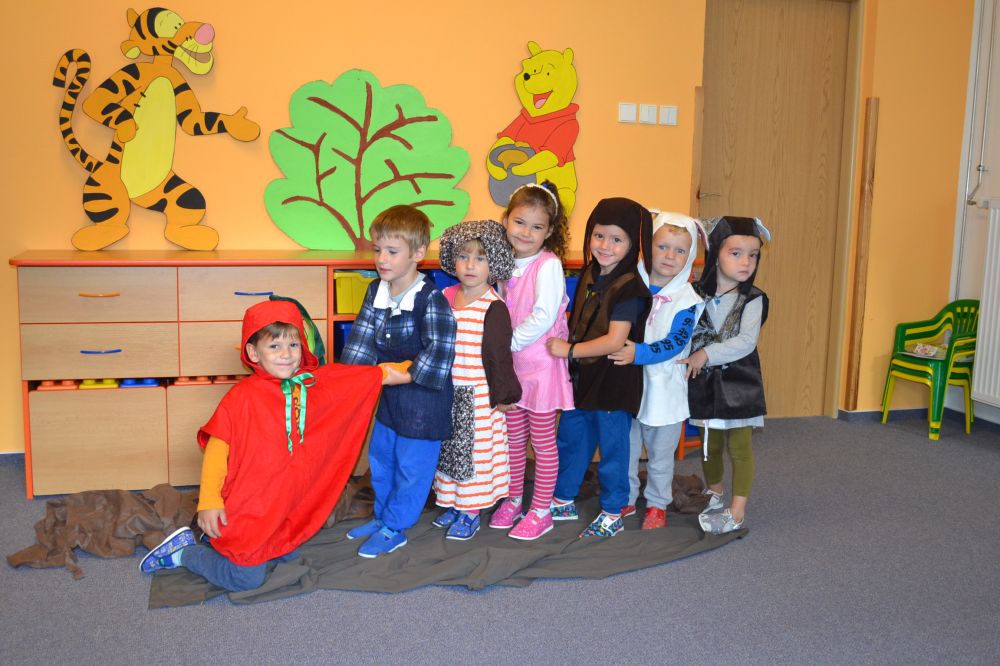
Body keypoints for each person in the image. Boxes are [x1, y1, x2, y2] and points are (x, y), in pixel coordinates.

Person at [138, 299, 387, 591]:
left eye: (293, 344)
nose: (286, 354)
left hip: (282, 506)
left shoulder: (309, 386)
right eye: (275, 346)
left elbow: (370, 377)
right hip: (250, 505)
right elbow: (216, 453)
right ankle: (184, 553)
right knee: (246, 579)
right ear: (254, 353)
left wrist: (419, 368)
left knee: (286, 550)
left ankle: (220, 539)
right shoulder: (242, 398)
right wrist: (209, 501)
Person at [340, 205, 457, 557]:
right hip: (390, 400)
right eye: (378, 250)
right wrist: (347, 382)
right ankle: (382, 516)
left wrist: (397, 374)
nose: (381, 259)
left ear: (418, 253)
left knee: (411, 468)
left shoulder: (431, 300)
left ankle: (397, 527)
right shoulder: (375, 291)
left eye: (392, 251)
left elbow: (440, 352)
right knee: (382, 459)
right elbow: (361, 342)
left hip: (424, 404)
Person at [547, 197, 652, 537]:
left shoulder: (630, 288)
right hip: (583, 377)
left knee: (612, 450)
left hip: (613, 382)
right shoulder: (590, 272)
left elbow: (614, 341)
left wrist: (569, 350)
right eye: (599, 235)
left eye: (617, 239)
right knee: (572, 438)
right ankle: (563, 497)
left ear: (633, 244)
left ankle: (612, 511)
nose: (605, 246)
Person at [609, 212, 707, 529]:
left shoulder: (687, 300)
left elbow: (676, 342)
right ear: (647, 247)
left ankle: (656, 503)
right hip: (630, 386)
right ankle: (625, 498)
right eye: (662, 246)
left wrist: (638, 353)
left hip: (665, 390)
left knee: (661, 455)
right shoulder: (631, 286)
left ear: (689, 256)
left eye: (679, 250)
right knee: (626, 449)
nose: (669, 256)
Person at [490, 181, 574, 540]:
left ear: (549, 231)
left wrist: (506, 343)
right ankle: (513, 499)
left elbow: (543, 316)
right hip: (512, 369)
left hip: (539, 366)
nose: (526, 232)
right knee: (512, 439)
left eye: (537, 227)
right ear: (506, 220)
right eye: (520, 222)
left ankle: (541, 510)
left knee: (542, 442)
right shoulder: (503, 262)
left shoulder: (548, 265)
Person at [677, 215, 771, 535]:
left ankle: (737, 511)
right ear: (716, 253)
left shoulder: (753, 299)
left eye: (753, 255)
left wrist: (706, 354)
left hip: (739, 385)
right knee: (710, 445)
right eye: (736, 253)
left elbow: (746, 341)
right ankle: (715, 493)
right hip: (703, 384)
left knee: (740, 448)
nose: (746, 262)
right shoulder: (694, 293)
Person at [431, 220, 522, 540]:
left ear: (494, 262)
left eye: (480, 258)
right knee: (450, 453)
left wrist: (505, 394)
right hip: (447, 392)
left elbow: (499, 355)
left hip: (479, 398)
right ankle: (453, 503)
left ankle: (470, 511)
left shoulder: (493, 307)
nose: (470, 265)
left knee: (475, 456)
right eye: (464, 256)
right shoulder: (444, 296)